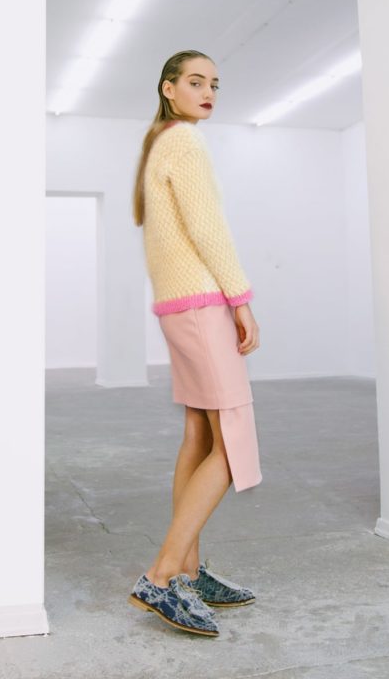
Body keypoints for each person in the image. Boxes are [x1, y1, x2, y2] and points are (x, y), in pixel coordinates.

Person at [127, 49, 262, 637]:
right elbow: (208, 229)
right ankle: (161, 576)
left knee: (200, 435)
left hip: (177, 307)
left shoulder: (159, 142)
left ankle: (187, 571)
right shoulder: (183, 141)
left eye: (214, 84)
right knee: (231, 445)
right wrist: (241, 298)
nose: (208, 92)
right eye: (195, 82)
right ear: (169, 88)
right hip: (203, 306)